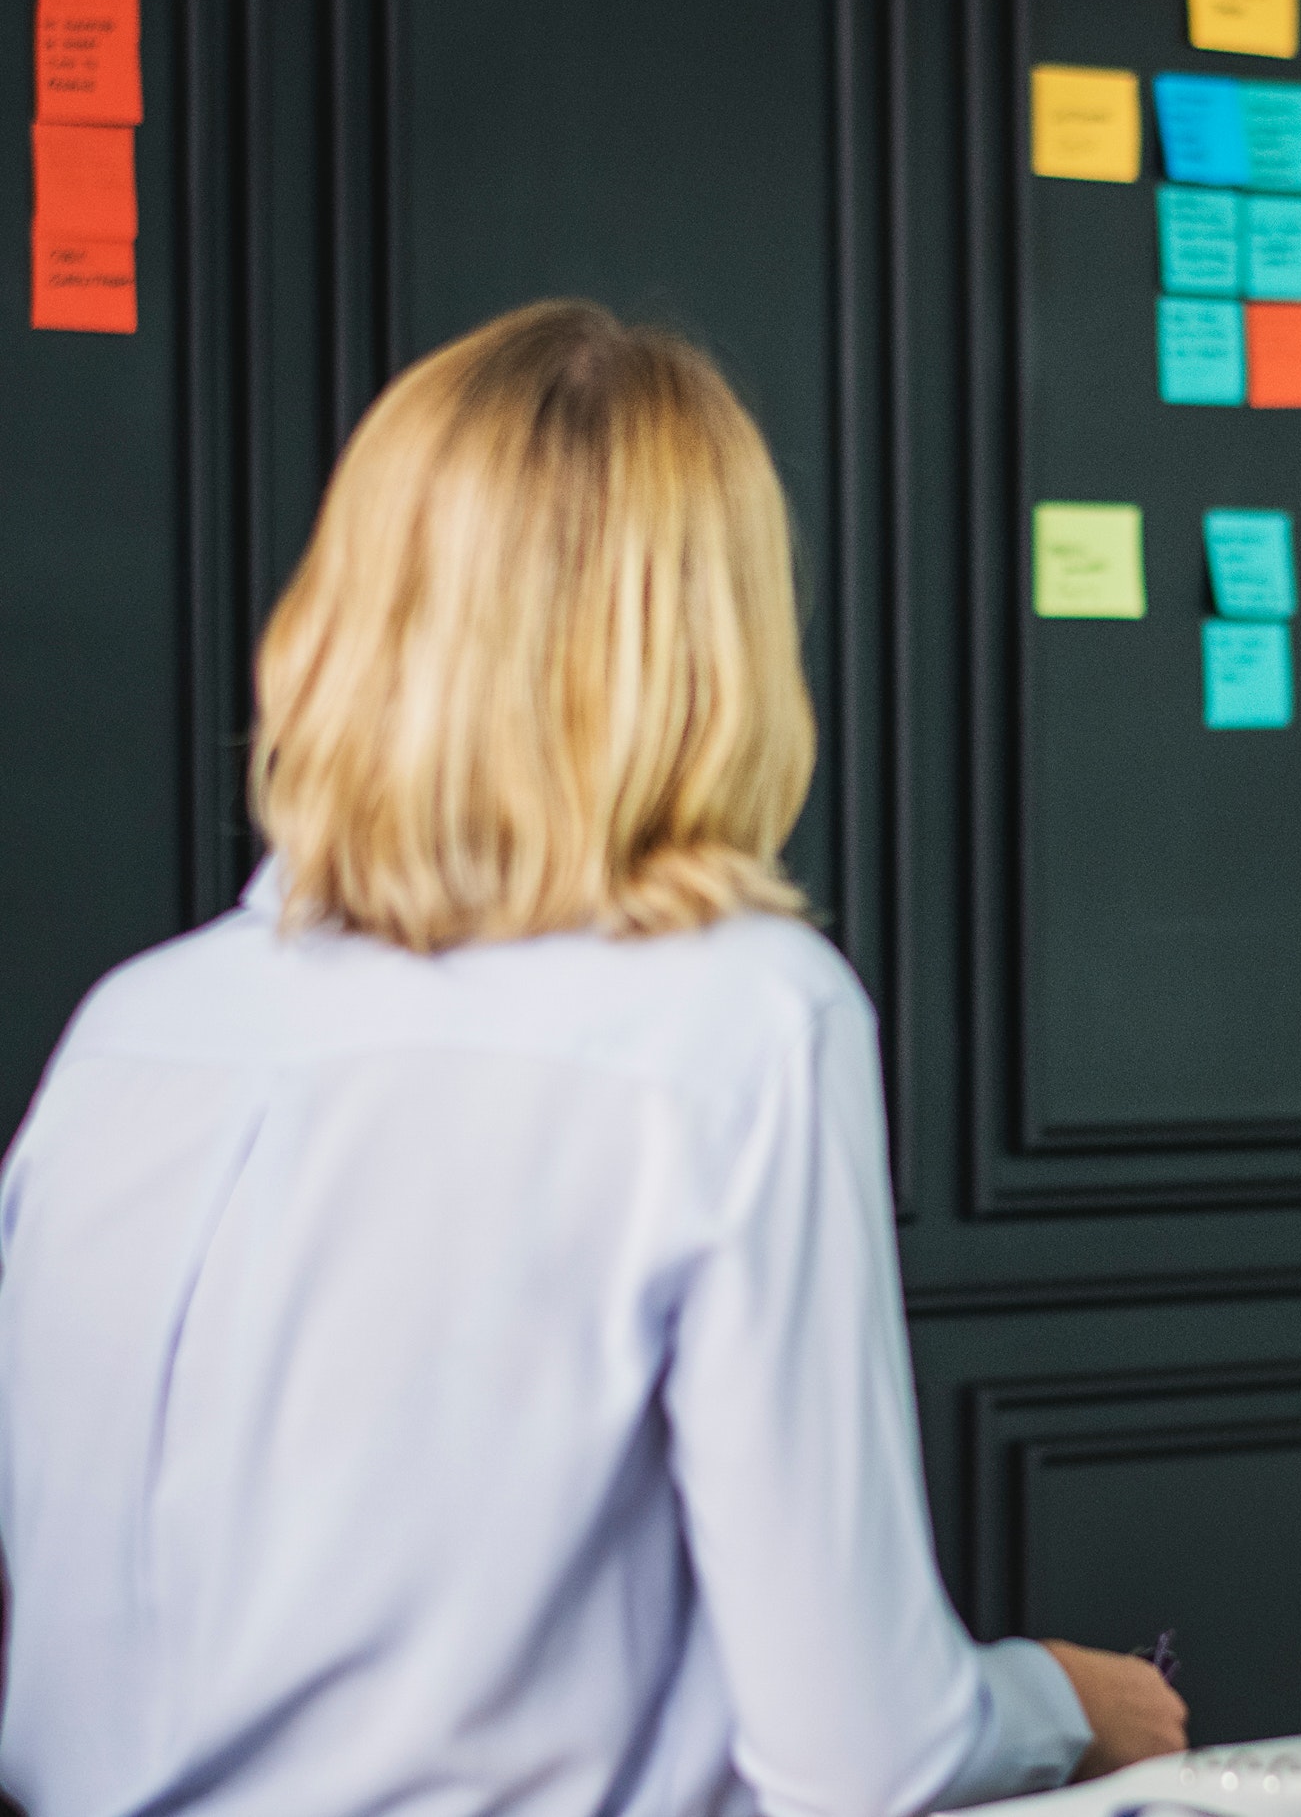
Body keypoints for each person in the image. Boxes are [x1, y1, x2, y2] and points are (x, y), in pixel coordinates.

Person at [0, 303, 1184, 1814]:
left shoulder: (137, 1025)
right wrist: (1057, 1698)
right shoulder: (738, 1015)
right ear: (720, 638)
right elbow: (858, 1757)